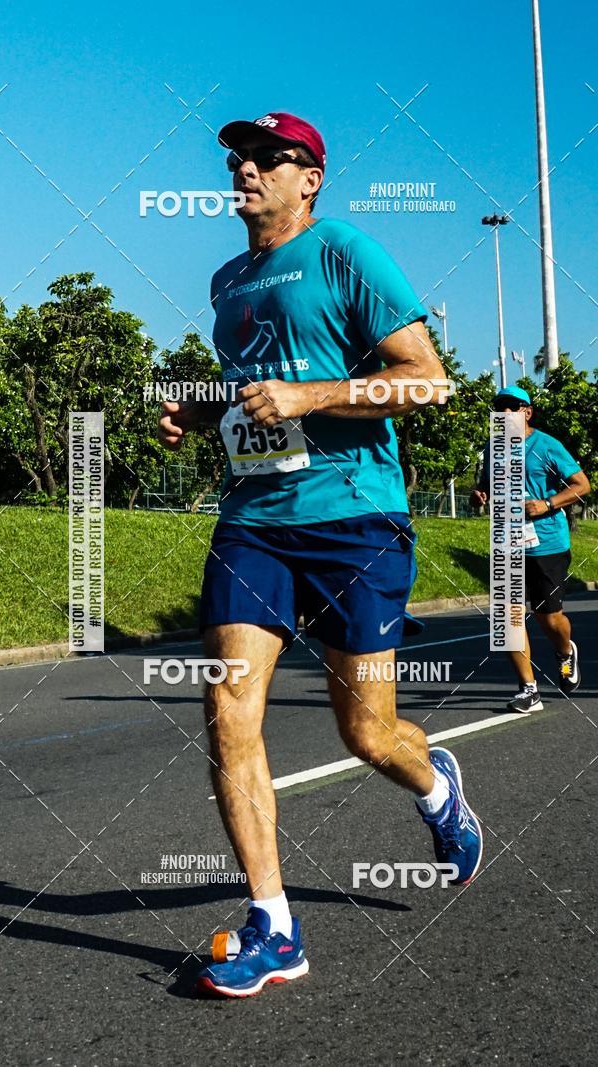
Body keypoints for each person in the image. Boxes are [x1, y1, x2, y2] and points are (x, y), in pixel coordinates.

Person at [158, 110, 483, 998]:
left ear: (310, 178)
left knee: (367, 731)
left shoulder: (345, 249)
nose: (246, 169)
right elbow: (251, 390)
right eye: (238, 158)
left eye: (269, 157)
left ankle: (437, 787)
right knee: (228, 713)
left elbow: (427, 379)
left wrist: (315, 395)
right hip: (255, 518)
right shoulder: (229, 279)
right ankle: (275, 924)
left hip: (354, 518)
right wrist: (201, 412)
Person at [471, 385, 590, 714]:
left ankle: (566, 653)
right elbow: (483, 487)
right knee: (507, 618)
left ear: (527, 411)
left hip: (547, 542)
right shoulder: (493, 447)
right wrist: (478, 495)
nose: (504, 412)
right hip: (506, 540)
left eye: (511, 406)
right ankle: (528, 688)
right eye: (499, 407)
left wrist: (548, 503)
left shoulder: (547, 446)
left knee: (548, 619)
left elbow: (583, 484)